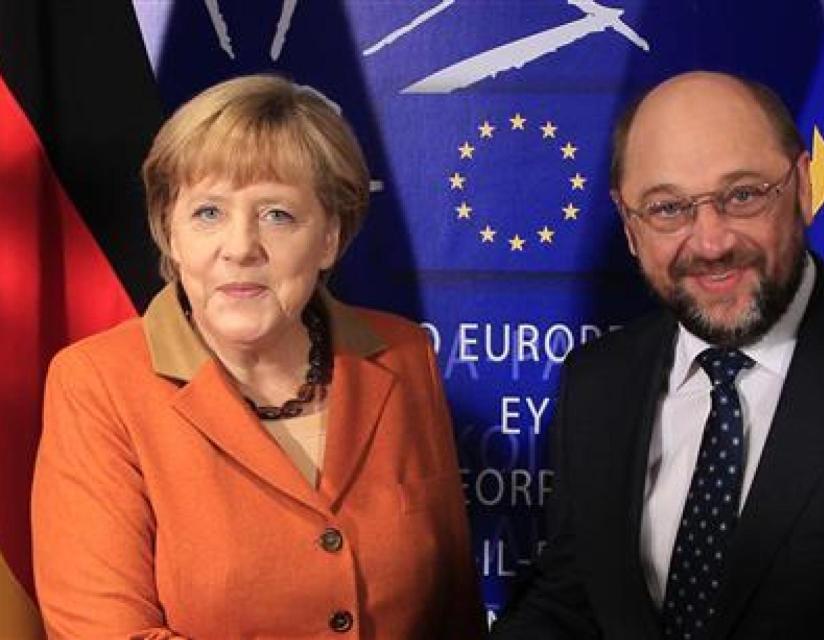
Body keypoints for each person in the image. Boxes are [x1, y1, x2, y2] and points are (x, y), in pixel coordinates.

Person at [32, 74, 485, 639]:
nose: (241, 246)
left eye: (277, 215)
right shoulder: (98, 384)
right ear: (170, 233)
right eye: (208, 213)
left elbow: (454, 613)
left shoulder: (402, 353)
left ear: (329, 238)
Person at [491, 71, 824, 639]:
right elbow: (572, 598)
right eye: (667, 208)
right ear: (630, 226)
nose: (711, 242)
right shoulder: (598, 381)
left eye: (743, 195)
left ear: (804, 186)